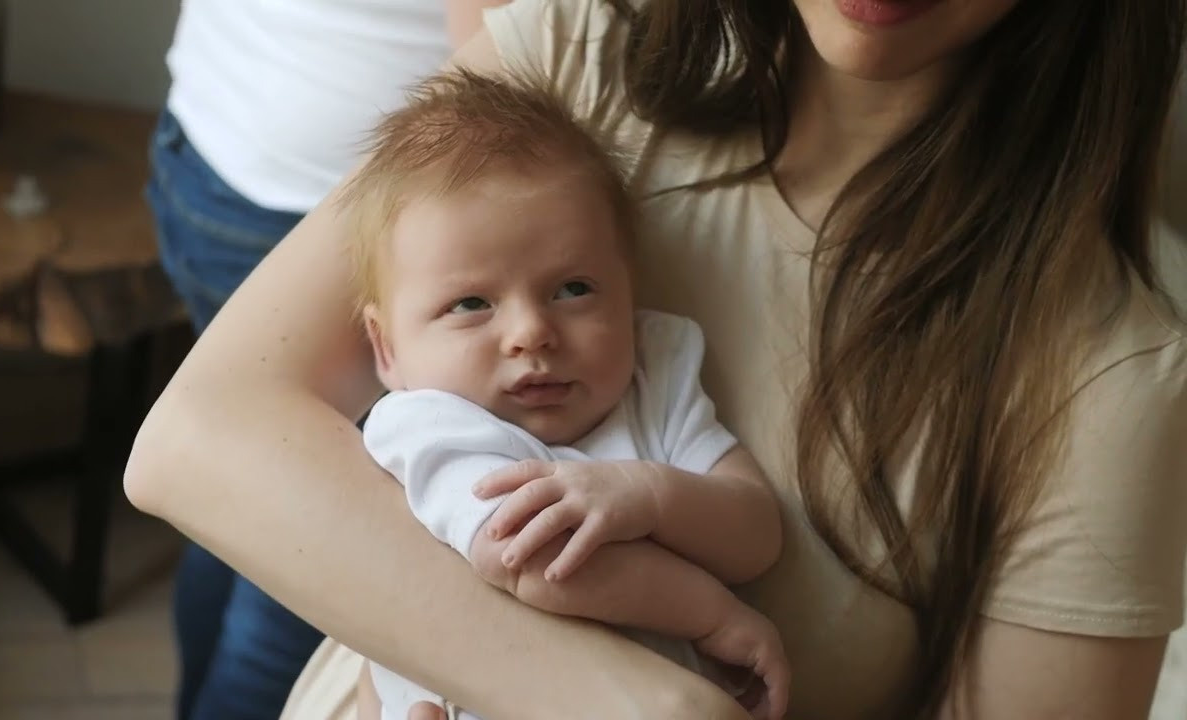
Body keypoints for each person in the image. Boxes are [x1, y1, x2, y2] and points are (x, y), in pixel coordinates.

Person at [126, 1, 1187, 718]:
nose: (535, 333)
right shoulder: (578, 61)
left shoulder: (1103, 367)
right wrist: (645, 701)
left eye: (576, 291)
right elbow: (194, 442)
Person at [341, 71, 788, 719]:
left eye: (574, 289)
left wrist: (651, 496)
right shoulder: (425, 425)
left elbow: (756, 534)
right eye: (470, 304)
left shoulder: (651, 380)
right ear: (388, 350)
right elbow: (533, 560)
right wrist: (711, 614)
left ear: (628, 290)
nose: (530, 333)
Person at [143, 2, 504, 718]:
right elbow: (502, 60)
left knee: (229, 508)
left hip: (212, 143)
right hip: (330, 222)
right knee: (293, 602)